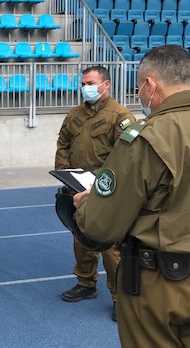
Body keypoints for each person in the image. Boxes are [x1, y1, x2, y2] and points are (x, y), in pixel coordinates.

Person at [73, 45, 190, 348]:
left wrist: (86, 205)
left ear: (150, 86)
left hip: (156, 284)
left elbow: (100, 226)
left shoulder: (147, 138)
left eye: (140, 88)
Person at [55, 65, 134, 321]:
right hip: (78, 189)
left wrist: (103, 183)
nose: (85, 88)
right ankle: (86, 283)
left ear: (106, 85)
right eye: (82, 84)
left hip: (107, 191)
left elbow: (126, 157)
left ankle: (119, 297)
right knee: (81, 239)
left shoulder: (120, 116)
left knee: (110, 248)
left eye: (90, 83)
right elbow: (63, 143)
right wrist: (64, 174)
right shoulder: (75, 114)